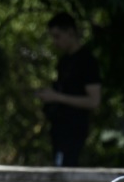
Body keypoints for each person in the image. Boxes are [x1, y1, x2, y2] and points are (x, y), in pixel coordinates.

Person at [37, 12, 102, 167]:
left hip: (74, 131)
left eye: (57, 36)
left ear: (70, 32)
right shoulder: (64, 61)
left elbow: (94, 101)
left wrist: (57, 97)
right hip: (59, 130)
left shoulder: (87, 61)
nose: (55, 42)